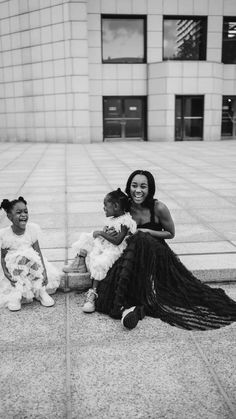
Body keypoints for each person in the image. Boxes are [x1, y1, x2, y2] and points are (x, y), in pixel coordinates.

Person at [95, 170, 236, 330]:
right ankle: (134, 310)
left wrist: (147, 231)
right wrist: (109, 232)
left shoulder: (159, 207)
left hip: (156, 252)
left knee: (141, 238)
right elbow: (115, 222)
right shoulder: (126, 207)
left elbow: (170, 233)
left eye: (143, 186)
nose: (138, 190)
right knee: (114, 280)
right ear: (129, 187)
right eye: (134, 186)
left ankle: (125, 306)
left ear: (150, 189)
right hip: (133, 255)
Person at [63, 188, 136, 313]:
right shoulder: (112, 218)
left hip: (114, 250)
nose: (104, 208)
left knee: (99, 263)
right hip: (106, 244)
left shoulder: (125, 221)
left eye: (105, 206)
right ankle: (79, 263)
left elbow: (118, 241)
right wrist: (102, 233)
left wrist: (102, 233)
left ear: (116, 206)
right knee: (88, 237)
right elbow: (106, 231)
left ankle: (92, 293)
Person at [0, 197, 61, 311]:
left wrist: (44, 271)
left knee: (30, 255)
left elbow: (38, 252)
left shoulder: (32, 230)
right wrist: (5, 272)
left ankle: (40, 291)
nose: (23, 215)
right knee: (20, 257)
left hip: (33, 266)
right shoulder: (4, 234)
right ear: (9, 216)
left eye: (26, 211)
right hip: (15, 269)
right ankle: (16, 294)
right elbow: (3, 257)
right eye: (18, 212)